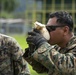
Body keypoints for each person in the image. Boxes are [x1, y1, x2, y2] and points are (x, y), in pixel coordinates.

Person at [23, 11, 76, 75]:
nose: (46, 32)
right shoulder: (57, 48)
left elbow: (68, 67)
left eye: (50, 28)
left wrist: (41, 44)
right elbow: (41, 69)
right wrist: (33, 49)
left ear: (65, 30)